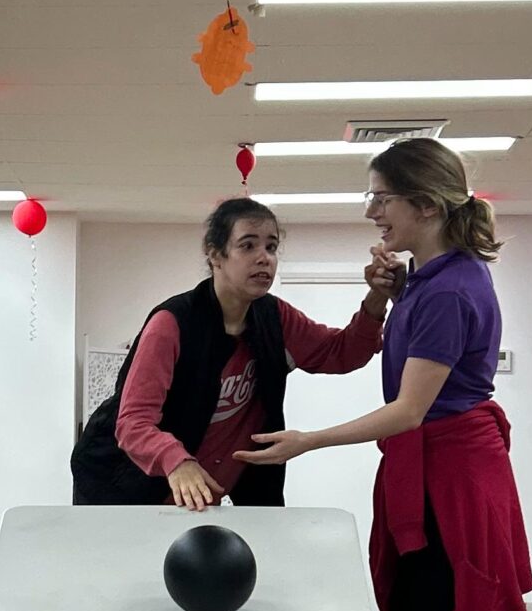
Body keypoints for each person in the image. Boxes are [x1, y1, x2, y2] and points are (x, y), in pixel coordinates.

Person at [235, 140, 532, 611]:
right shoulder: (433, 280)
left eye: (382, 198)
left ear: (425, 205)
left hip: (449, 476)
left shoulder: (451, 289)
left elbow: (407, 410)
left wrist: (305, 440)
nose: (372, 211)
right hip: (429, 470)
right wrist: (387, 295)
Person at [71, 196, 402, 509]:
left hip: (213, 489)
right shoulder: (171, 324)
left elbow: (341, 353)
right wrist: (177, 462)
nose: (264, 257)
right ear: (215, 255)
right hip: (127, 484)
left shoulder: (276, 318)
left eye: (271, 247)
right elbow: (133, 423)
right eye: (248, 245)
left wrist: (377, 297)